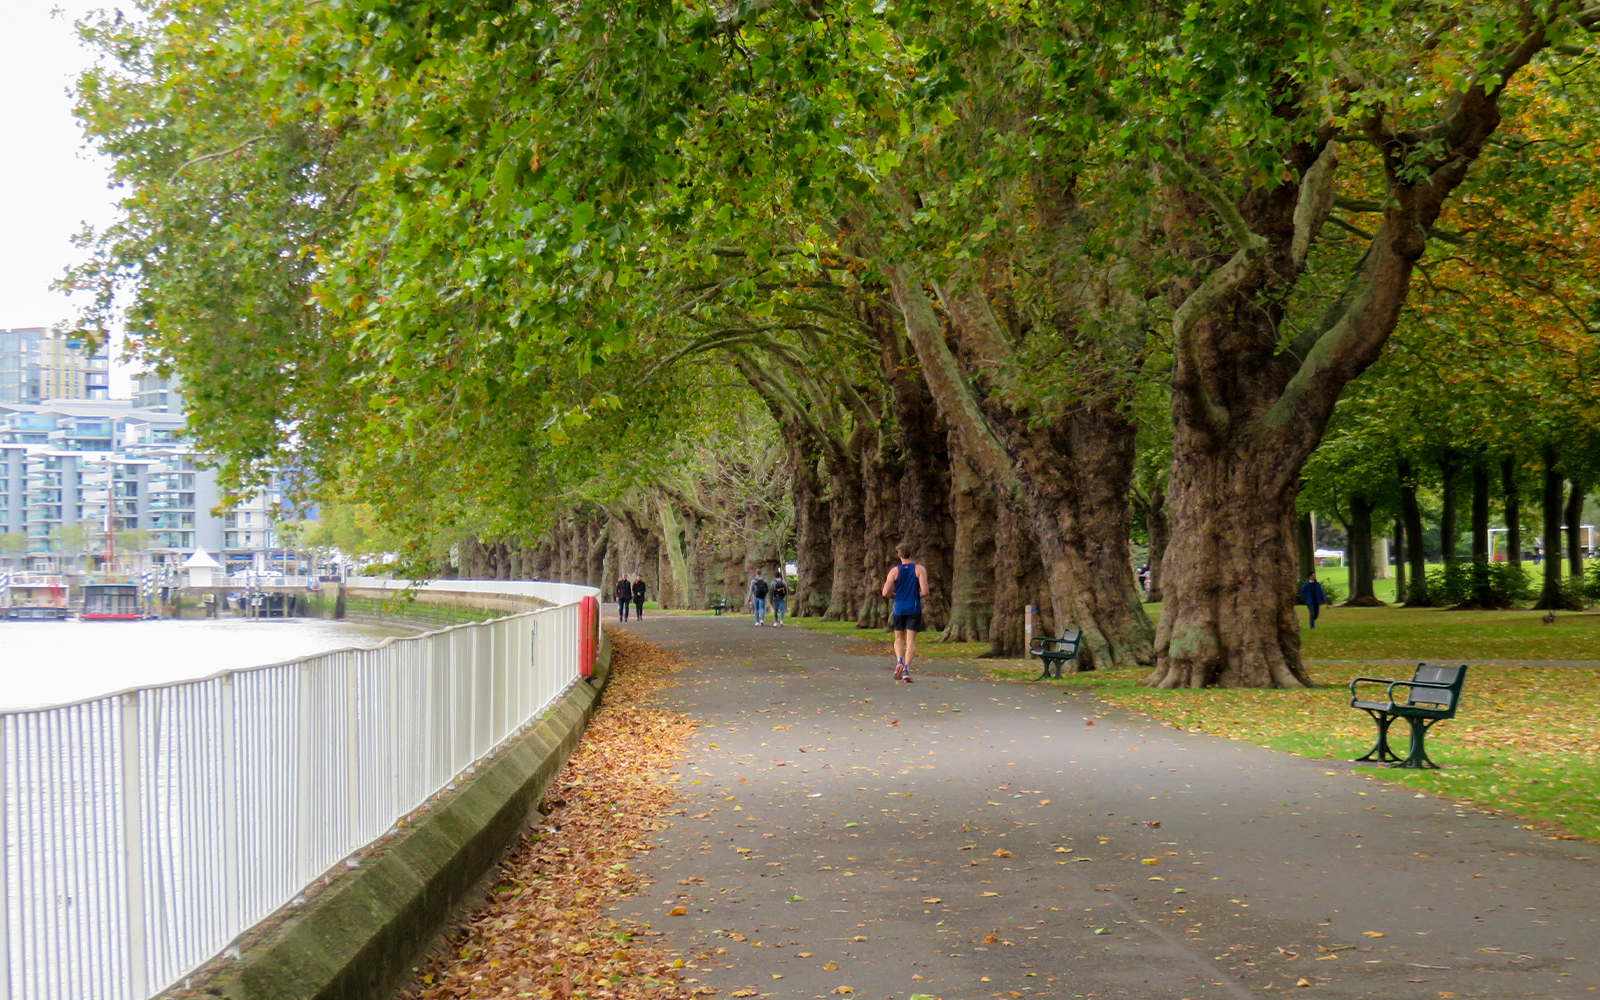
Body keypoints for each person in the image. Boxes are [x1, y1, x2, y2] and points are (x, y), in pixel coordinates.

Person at [881, 542, 929, 683]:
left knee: (898, 638)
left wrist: (894, 595)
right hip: (913, 607)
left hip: (898, 607)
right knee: (911, 640)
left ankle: (899, 661)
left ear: (898, 555)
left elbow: (884, 592)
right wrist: (916, 595)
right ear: (911, 553)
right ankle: (907, 669)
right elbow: (925, 591)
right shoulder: (919, 569)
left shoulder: (894, 571)